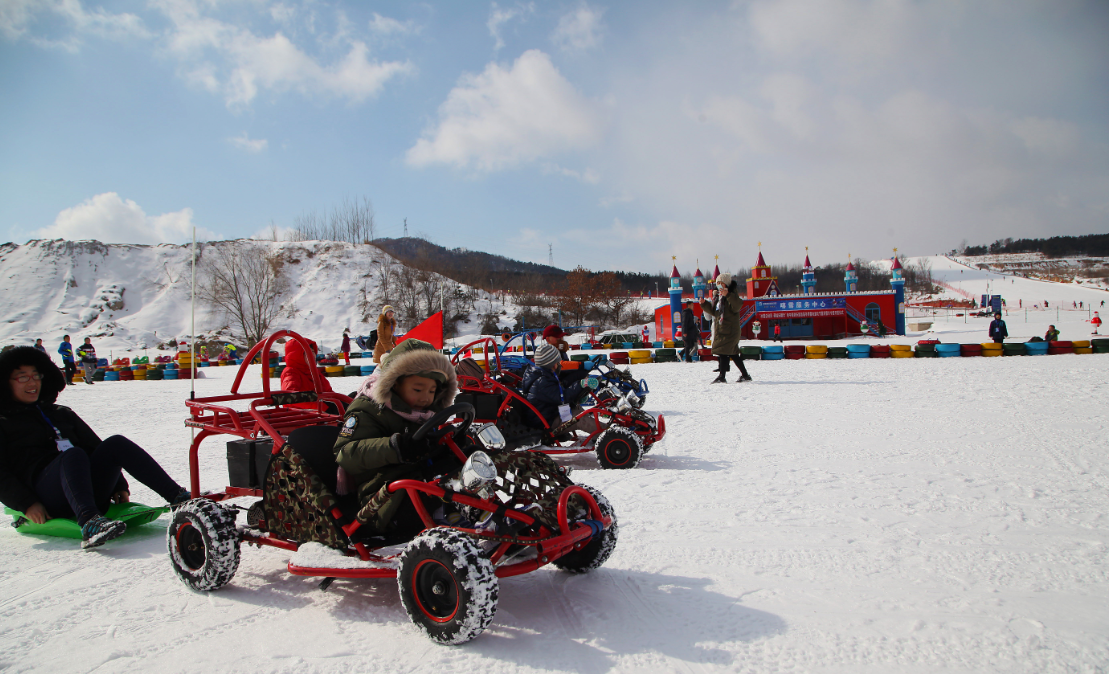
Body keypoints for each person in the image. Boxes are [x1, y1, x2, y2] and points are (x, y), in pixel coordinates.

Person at [0, 347, 189, 548]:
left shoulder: (61, 414)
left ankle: (177, 497)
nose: (32, 383)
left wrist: (118, 485)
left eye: (36, 376)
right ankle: (89, 523)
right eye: (22, 378)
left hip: (86, 490)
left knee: (115, 443)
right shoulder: (4, 422)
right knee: (72, 455)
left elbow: (96, 447)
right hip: (47, 500)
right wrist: (26, 504)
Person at [332, 339, 458, 536]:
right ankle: (452, 519)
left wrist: (448, 445)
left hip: (417, 480)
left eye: (432, 391)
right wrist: (394, 448)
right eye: (418, 389)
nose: (426, 398)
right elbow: (346, 453)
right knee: (434, 491)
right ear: (393, 383)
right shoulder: (369, 409)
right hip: (381, 500)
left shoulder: (423, 413)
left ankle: (486, 513)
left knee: (466, 467)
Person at [520, 343, 600, 434]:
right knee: (579, 419)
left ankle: (601, 431)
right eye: (558, 363)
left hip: (549, 414)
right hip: (544, 422)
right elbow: (563, 397)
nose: (560, 366)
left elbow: (559, 393)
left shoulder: (544, 376)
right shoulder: (541, 381)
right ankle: (608, 435)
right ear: (553, 364)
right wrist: (580, 384)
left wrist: (578, 396)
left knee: (577, 410)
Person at [701, 273, 751, 384]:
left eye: (721, 283)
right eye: (717, 283)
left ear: (727, 284)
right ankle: (745, 375)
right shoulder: (719, 298)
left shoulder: (732, 295)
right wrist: (704, 305)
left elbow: (738, 305)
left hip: (731, 330)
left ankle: (722, 376)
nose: (719, 285)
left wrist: (727, 294)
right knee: (732, 353)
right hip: (722, 329)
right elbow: (715, 313)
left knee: (723, 352)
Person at [280, 338, 334, 406]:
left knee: (351, 401)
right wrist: (323, 407)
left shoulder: (314, 371)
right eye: (308, 352)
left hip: (325, 408)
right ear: (297, 355)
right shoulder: (291, 373)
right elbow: (291, 398)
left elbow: (329, 392)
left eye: (313, 351)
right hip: (307, 413)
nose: (313, 355)